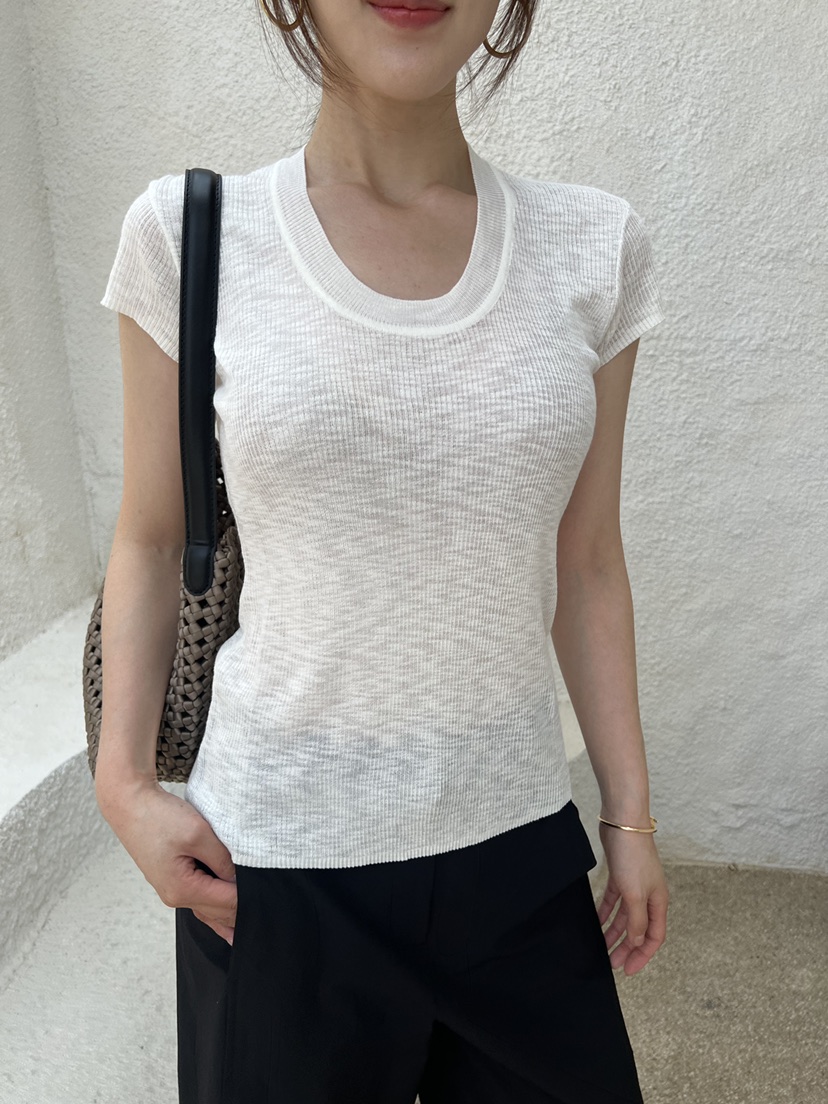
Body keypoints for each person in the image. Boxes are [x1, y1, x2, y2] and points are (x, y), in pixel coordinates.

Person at [94, 1, 670, 1101]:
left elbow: (589, 559)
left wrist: (630, 815)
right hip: (272, 868)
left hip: (517, 850)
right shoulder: (191, 235)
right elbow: (153, 537)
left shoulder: (595, 246)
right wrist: (122, 785)